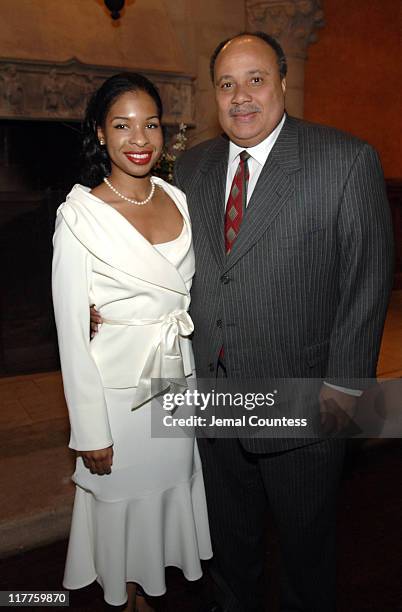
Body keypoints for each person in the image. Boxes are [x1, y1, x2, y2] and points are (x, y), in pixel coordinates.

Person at [90, 34, 393, 612]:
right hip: (209, 399)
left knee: (307, 557)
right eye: (227, 84)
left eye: (255, 80)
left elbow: (367, 285)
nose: (241, 97)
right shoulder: (190, 167)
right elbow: (159, 260)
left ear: (282, 82)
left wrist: (347, 390)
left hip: (305, 399)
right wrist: (105, 301)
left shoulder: (345, 160)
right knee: (228, 553)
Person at [52, 73, 212, 612]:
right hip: (116, 396)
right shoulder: (80, 216)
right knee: (121, 504)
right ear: (100, 133)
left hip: (174, 382)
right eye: (122, 125)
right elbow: (71, 336)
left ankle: (145, 594)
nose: (139, 138)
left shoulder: (179, 198)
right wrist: (88, 428)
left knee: (166, 497)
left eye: (150, 124)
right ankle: (123, 600)